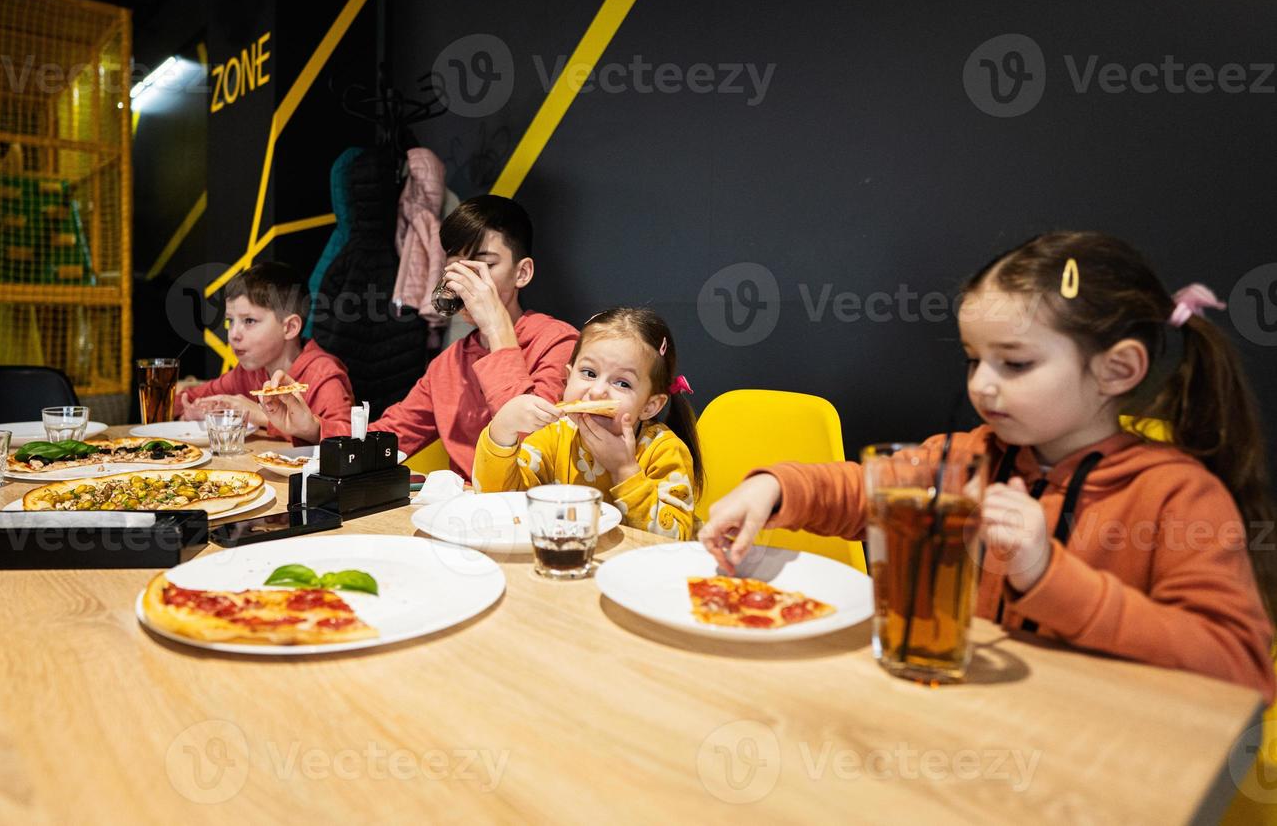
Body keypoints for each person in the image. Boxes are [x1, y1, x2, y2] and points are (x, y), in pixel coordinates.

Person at [700, 231, 1276, 700]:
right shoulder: (967, 457)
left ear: (1117, 371)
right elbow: (863, 491)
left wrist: (1050, 574)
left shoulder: (1177, 497)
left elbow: (1237, 667)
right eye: (974, 360)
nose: (982, 385)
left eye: (1015, 364)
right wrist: (774, 489)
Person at [261, 196, 576, 476]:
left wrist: (496, 330)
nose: (465, 281)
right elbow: (389, 437)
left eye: (483, 265)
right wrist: (314, 428)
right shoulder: (448, 365)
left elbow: (534, 449)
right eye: (456, 267)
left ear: (522, 273)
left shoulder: (559, 343)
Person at [473, 306, 702, 539]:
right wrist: (502, 429)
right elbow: (499, 502)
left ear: (649, 406)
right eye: (589, 373)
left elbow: (675, 538)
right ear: (568, 377)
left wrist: (624, 470)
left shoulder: (663, 450)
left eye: (622, 383)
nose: (597, 391)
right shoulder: (555, 436)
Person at [179, 262, 353, 444]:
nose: (233, 334)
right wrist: (193, 409)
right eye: (230, 321)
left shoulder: (323, 375)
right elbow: (192, 396)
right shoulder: (248, 372)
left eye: (249, 321)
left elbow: (348, 442)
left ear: (290, 327)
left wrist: (263, 416)